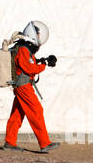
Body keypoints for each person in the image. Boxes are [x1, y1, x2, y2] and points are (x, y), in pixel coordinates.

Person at [4, 20, 60, 153]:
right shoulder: (23, 49)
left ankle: (9, 142)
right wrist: (44, 65)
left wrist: (41, 61)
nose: (40, 37)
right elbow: (29, 68)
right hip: (23, 86)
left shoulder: (24, 48)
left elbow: (27, 63)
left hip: (21, 85)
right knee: (36, 111)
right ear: (33, 34)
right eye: (39, 34)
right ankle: (44, 143)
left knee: (17, 114)